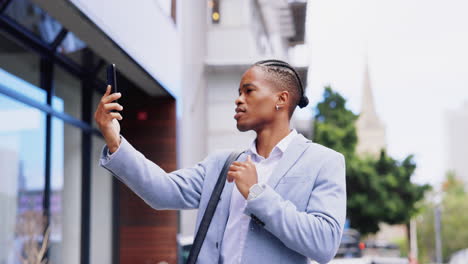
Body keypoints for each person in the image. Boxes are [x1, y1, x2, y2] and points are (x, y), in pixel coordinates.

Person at [95, 59, 346, 264]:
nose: (238, 99)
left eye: (249, 91)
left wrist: (258, 194)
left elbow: (324, 244)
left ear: (281, 99)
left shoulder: (324, 162)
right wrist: (114, 139)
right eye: (238, 93)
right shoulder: (222, 164)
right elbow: (162, 191)